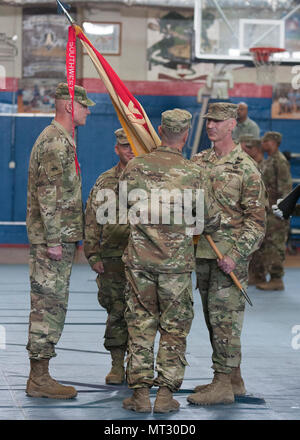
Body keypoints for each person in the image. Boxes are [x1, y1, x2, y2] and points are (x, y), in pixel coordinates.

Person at [120, 109, 220, 414]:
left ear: (161, 129)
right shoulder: (194, 173)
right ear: (187, 134)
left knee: (140, 324)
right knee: (174, 328)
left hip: (139, 262)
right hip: (176, 265)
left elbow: (122, 206)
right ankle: (164, 394)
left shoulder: (135, 167)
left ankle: (139, 394)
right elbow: (210, 220)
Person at [187, 102, 267, 406]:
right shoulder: (198, 162)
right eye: (209, 121)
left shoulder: (247, 168)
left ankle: (222, 384)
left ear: (232, 125)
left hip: (229, 258)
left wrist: (236, 254)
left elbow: (257, 222)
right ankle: (233, 378)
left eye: (218, 121)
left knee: (225, 321)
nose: (211, 126)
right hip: (204, 254)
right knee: (214, 320)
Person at [26, 82, 95, 399]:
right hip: (51, 242)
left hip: (60, 238)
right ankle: (39, 378)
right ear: (70, 106)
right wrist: (55, 239)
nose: (88, 111)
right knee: (47, 307)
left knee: (52, 305)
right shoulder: (55, 143)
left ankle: (41, 375)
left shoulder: (61, 139)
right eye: (84, 106)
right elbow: (48, 195)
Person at [84, 128, 134, 384]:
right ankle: (117, 365)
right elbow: (92, 220)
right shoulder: (105, 182)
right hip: (113, 259)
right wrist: (93, 255)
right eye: (125, 146)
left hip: (143, 260)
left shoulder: (151, 180)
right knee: (116, 312)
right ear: (117, 149)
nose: (130, 149)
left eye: (133, 144)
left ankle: (137, 365)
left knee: (141, 315)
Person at [255, 132, 293, 291]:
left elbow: (285, 189)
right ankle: (261, 274)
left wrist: (281, 212)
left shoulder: (280, 162)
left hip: (276, 212)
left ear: (274, 143)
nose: (262, 143)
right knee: (265, 245)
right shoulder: (267, 161)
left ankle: (277, 279)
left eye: (266, 141)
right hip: (266, 210)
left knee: (275, 245)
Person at [240, 136, 268, 285]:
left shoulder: (261, 166)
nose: (244, 150)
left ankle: (261, 275)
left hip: (263, 209)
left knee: (262, 246)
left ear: (256, 149)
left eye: (248, 147)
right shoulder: (250, 165)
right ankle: (255, 274)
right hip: (254, 208)